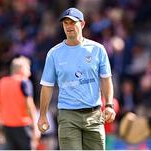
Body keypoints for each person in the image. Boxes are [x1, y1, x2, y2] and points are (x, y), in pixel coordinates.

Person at [37, 7, 116, 150]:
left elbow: (106, 79)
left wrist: (109, 105)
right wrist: (43, 115)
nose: (69, 26)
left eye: (72, 22)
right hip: (68, 115)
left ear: (83, 24)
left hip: (94, 115)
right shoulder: (54, 54)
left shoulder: (97, 49)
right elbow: (47, 86)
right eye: (65, 23)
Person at [0, 56, 40, 149]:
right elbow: (30, 106)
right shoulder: (24, 82)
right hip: (23, 126)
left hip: (7, 126)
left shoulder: (1, 82)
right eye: (28, 68)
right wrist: (36, 127)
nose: (30, 72)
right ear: (21, 69)